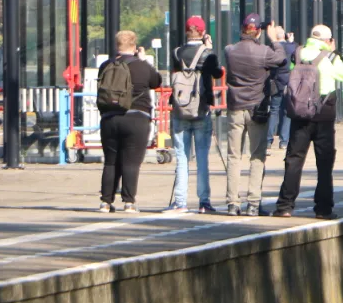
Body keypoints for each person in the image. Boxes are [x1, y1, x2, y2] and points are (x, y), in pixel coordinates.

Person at [274, 25, 343, 219]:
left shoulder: (298, 53)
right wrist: (333, 53)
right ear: (328, 41)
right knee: (324, 163)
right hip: (323, 114)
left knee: (294, 159)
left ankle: (285, 206)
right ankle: (323, 208)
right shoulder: (330, 58)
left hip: (299, 113)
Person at [222, 13, 287, 216]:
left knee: (234, 156)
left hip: (235, 108)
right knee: (257, 156)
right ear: (258, 31)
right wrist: (275, 39)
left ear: (242, 29)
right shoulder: (265, 52)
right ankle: (253, 203)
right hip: (257, 108)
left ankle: (233, 203)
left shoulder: (230, 51)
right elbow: (281, 59)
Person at [97, 30, 162, 213]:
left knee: (110, 162)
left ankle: (105, 202)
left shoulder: (106, 65)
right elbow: (156, 81)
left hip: (110, 119)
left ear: (117, 45)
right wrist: (142, 59)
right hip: (136, 118)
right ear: (134, 46)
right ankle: (129, 202)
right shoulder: (142, 66)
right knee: (131, 162)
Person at [164, 16, 220, 214]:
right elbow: (218, 74)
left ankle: (180, 201)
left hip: (180, 110)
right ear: (203, 32)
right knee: (203, 156)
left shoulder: (177, 52)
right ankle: (204, 201)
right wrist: (210, 48)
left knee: (181, 156)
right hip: (201, 108)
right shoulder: (208, 54)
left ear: (187, 31)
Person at [267, 31, 298, 150]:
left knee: (274, 110)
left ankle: (268, 140)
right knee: (286, 112)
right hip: (288, 82)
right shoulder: (292, 47)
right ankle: (284, 141)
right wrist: (291, 40)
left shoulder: (273, 48)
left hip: (276, 82)